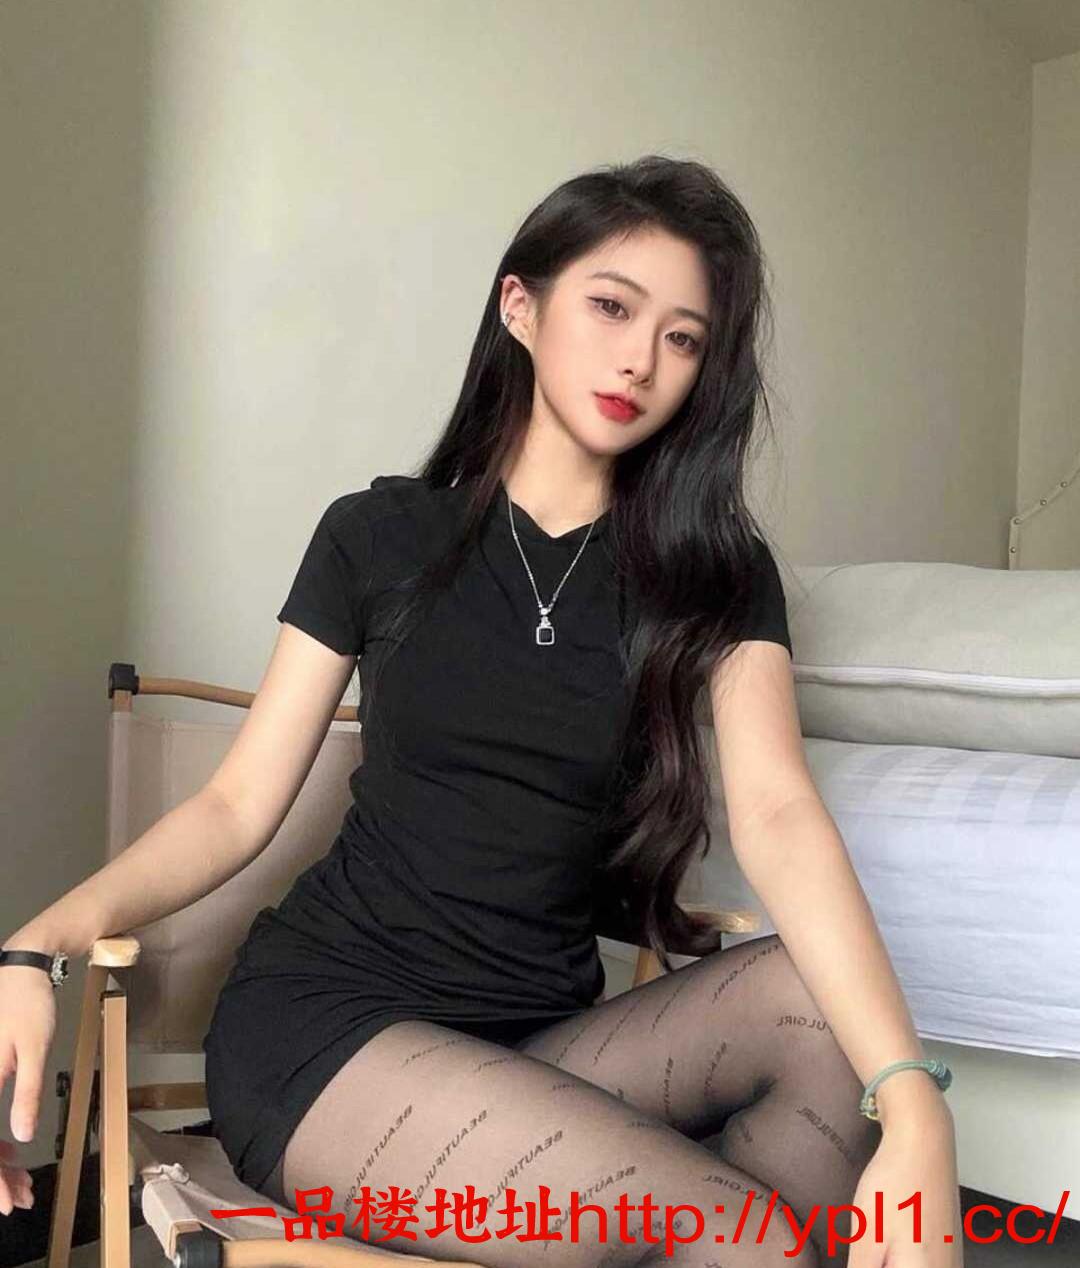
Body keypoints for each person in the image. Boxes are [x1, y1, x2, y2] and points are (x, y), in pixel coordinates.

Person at [1, 155, 961, 1268]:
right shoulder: (379, 536)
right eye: (611, 307)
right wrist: (36, 946)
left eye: (684, 338)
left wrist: (916, 1101)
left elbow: (780, 813)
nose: (640, 360)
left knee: (822, 1014)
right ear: (522, 305)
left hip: (543, 1047)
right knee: (741, 1232)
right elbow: (233, 807)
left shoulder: (715, 574)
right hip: (333, 1036)